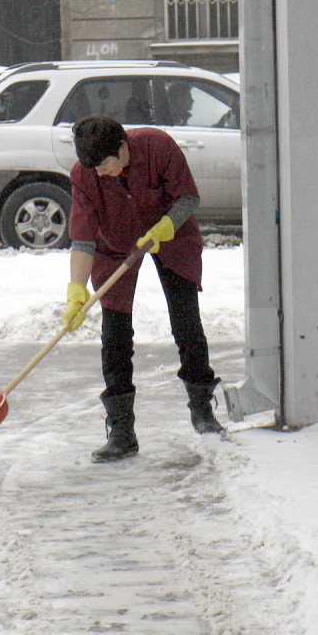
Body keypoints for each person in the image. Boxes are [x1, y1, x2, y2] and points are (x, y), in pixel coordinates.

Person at [62, 116, 223, 464]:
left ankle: (203, 409)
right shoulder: (85, 174)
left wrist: (165, 226)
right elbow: (83, 238)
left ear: (122, 148)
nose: (101, 173)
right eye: (94, 168)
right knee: (115, 335)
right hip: (115, 246)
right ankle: (121, 431)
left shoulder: (157, 146)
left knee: (185, 322)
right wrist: (76, 289)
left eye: (106, 164)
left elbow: (188, 197)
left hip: (172, 236)